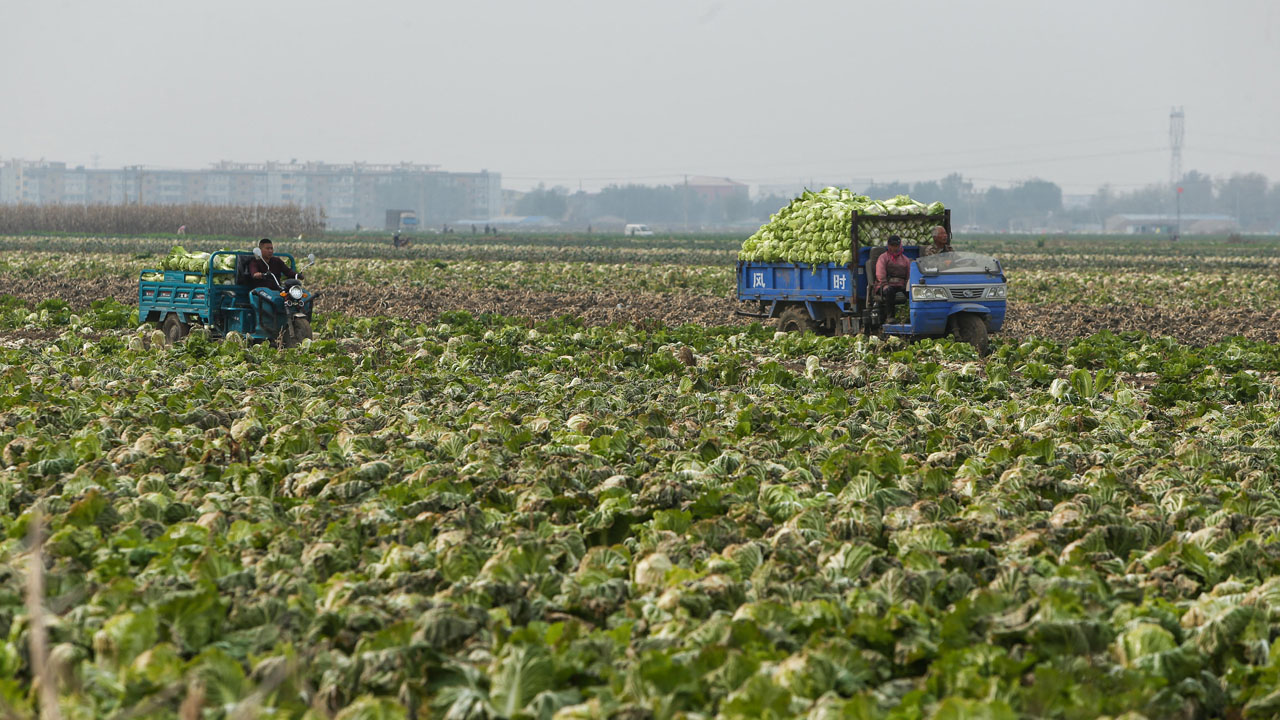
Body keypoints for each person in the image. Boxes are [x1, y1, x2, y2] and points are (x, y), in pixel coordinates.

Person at [874, 235, 910, 322]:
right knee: (890, 291)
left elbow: (909, 274)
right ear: (889, 246)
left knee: (912, 293)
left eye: (896, 245)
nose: (895, 248)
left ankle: (910, 315)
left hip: (901, 284)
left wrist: (908, 285)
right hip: (885, 285)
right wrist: (885, 284)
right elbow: (880, 273)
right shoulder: (883, 258)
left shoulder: (905, 259)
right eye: (892, 245)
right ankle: (890, 317)